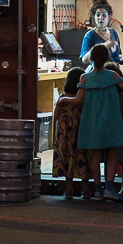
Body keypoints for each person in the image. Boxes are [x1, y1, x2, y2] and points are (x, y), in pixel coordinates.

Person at [75, 45, 123, 202]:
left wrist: (63, 100)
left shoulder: (85, 78)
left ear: (91, 58)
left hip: (93, 122)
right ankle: (109, 189)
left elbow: (78, 99)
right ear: (107, 58)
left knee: (95, 156)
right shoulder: (113, 76)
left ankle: (97, 190)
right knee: (112, 156)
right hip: (111, 121)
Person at [50, 67, 94, 200]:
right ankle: (85, 191)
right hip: (81, 133)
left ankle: (68, 191)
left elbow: (56, 116)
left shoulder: (63, 98)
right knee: (83, 158)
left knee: (67, 158)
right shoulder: (83, 98)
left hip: (65, 135)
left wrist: (59, 106)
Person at [79, 0, 123, 65]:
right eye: (98, 15)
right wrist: (103, 46)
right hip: (97, 71)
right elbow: (84, 59)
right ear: (94, 17)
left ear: (109, 16)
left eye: (104, 15)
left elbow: (116, 55)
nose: (100, 18)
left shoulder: (113, 33)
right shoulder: (90, 35)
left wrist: (122, 58)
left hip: (113, 70)